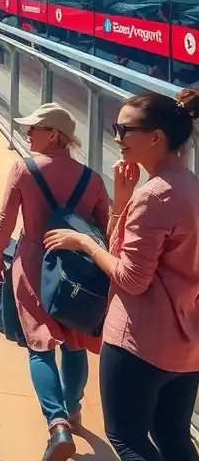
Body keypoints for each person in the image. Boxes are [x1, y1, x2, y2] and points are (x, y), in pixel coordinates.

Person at [43, 90, 199, 461]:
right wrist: (123, 198)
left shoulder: (155, 196)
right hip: (187, 347)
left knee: (126, 437)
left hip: (140, 344)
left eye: (124, 129)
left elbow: (130, 278)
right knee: (173, 436)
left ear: (156, 137)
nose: (116, 137)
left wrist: (83, 242)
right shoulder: (190, 186)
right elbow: (128, 252)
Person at [0, 104, 110, 461]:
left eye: (35, 129)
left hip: (31, 262)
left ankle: (56, 423)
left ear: (54, 135)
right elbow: (105, 230)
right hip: (75, 269)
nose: (28, 134)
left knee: (40, 345)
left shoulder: (23, 169)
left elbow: (4, 221)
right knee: (73, 342)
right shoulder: (93, 179)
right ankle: (73, 409)